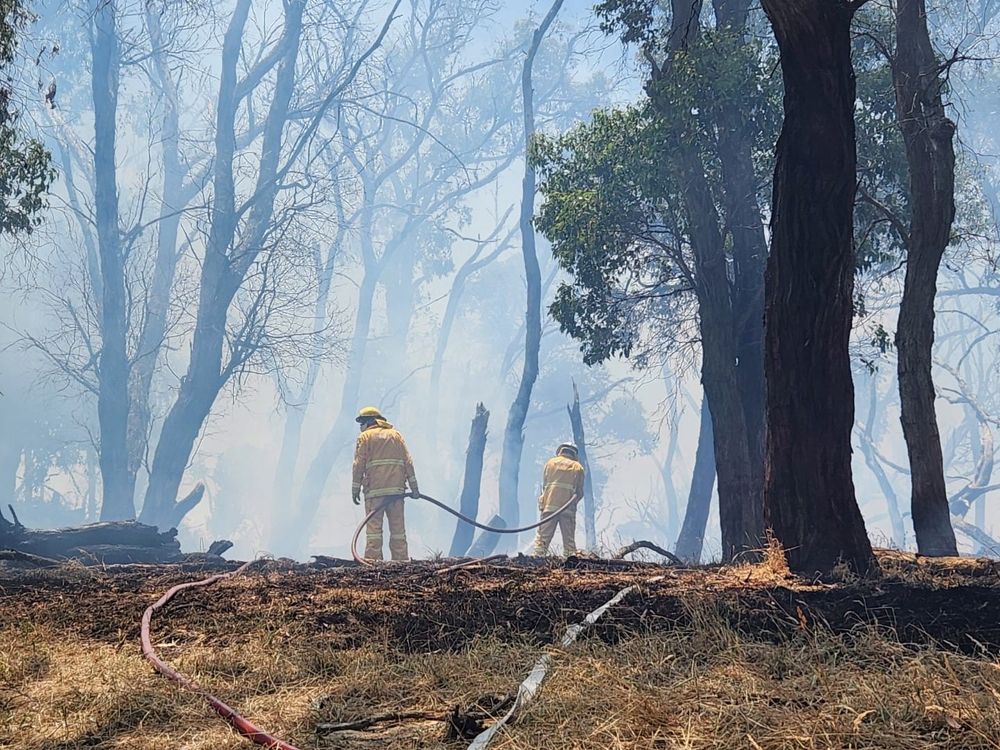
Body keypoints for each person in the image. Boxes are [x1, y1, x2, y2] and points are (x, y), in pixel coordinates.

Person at [351, 406, 419, 561]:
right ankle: (401, 562)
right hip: (396, 492)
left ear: (369, 421)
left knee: (374, 531)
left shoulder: (365, 437)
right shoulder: (396, 436)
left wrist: (355, 489)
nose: (361, 427)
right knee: (398, 531)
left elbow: (358, 465)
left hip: (375, 493)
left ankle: (373, 564)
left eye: (361, 422)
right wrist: (414, 489)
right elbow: (408, 462)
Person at [533, 443, 585, 556]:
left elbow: (544, 485)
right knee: (569, 541)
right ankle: (570, 563)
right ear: (574, 453)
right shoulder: (577, 467)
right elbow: (579, 492)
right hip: (568, 509)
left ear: (560, 451)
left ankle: (536, 561)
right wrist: (573, 502)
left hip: (549, 507)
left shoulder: (550, 463)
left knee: (542, 539)